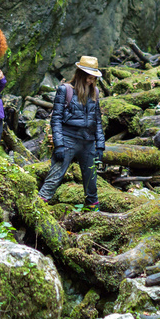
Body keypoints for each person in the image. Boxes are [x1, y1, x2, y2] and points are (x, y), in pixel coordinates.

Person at [38, 56, 106, 208]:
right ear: (81, 74)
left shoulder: (94, 91)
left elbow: (97, 120)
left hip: (88, 142)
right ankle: (36, 209)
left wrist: (100, 145)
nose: (91, 81)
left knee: (91, 181)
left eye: (94, 78)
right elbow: (56, 119)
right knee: (55, 177)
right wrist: (59, 144)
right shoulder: (65, 90)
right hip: (68, 139)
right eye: (89, 77)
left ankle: (93, 211)